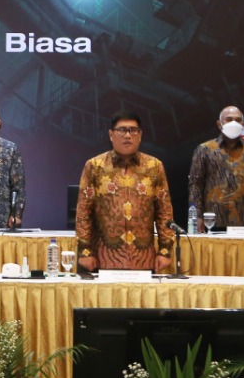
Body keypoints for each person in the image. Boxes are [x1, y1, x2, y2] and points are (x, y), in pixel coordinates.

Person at [75, 112, 174, 272]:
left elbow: (165, 212)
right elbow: (83, 213)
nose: (127, 135)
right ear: (111, 134)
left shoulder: (154, 166)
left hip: (143, 258)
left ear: (140, 135)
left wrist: (165, 251)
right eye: (122, 130)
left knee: (142, 298)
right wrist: (85, 251)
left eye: (133, 130)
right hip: (104, 257)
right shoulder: (94, 166)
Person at [187, 105, 244, 230]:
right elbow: (195, 185)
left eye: (238, 119)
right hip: (213, 221)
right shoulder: (204, 149)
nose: (234, 123)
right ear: (219, 124)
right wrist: (197, 217)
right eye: (229, 119)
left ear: (243, 123)